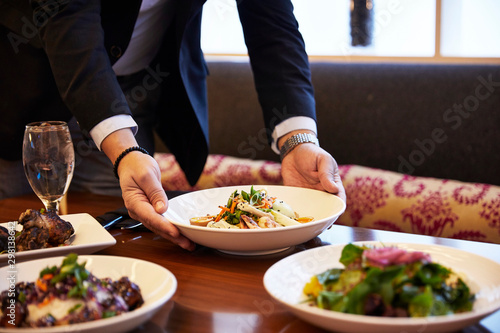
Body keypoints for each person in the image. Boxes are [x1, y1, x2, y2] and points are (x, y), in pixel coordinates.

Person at [0, 0, 346, 250]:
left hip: (137, 92)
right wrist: (124, 148)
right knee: (15, 243)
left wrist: (299, 141)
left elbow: (273, 29)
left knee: (113, 242)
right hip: (26, 90)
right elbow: (68, 18)